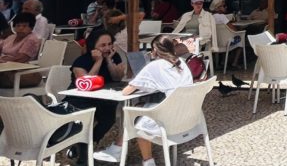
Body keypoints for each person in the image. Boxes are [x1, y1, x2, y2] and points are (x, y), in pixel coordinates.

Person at [93, 34, 193, 166]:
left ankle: (141, 159)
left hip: (169, 122)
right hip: (188, 117)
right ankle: (120, 148)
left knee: (135, 117)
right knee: (140, 107)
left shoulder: (155, 65)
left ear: (155, 50)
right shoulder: (182, 63)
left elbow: (126, 91)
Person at [68, 29, 127, 159]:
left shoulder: (113, 56)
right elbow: (86, 83)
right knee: (85, 120)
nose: (107, 48)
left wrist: (109, 61)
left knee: (108, 119)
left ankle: (88, 143)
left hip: (104, 97)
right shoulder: (81, 61)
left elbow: (117, 78)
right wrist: (98, 61)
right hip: (81, 98)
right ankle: (83, 154)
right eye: (103, 45)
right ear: (93, 46)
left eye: (109, 44)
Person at [0, 12, 42, 87]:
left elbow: (20, 59)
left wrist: (2, 60)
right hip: (5, 70)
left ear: (31, 28)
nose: (20, 28)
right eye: (18, 25)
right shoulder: (11, 37)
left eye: (24, 26)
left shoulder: (31, 40)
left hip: (22, 73)